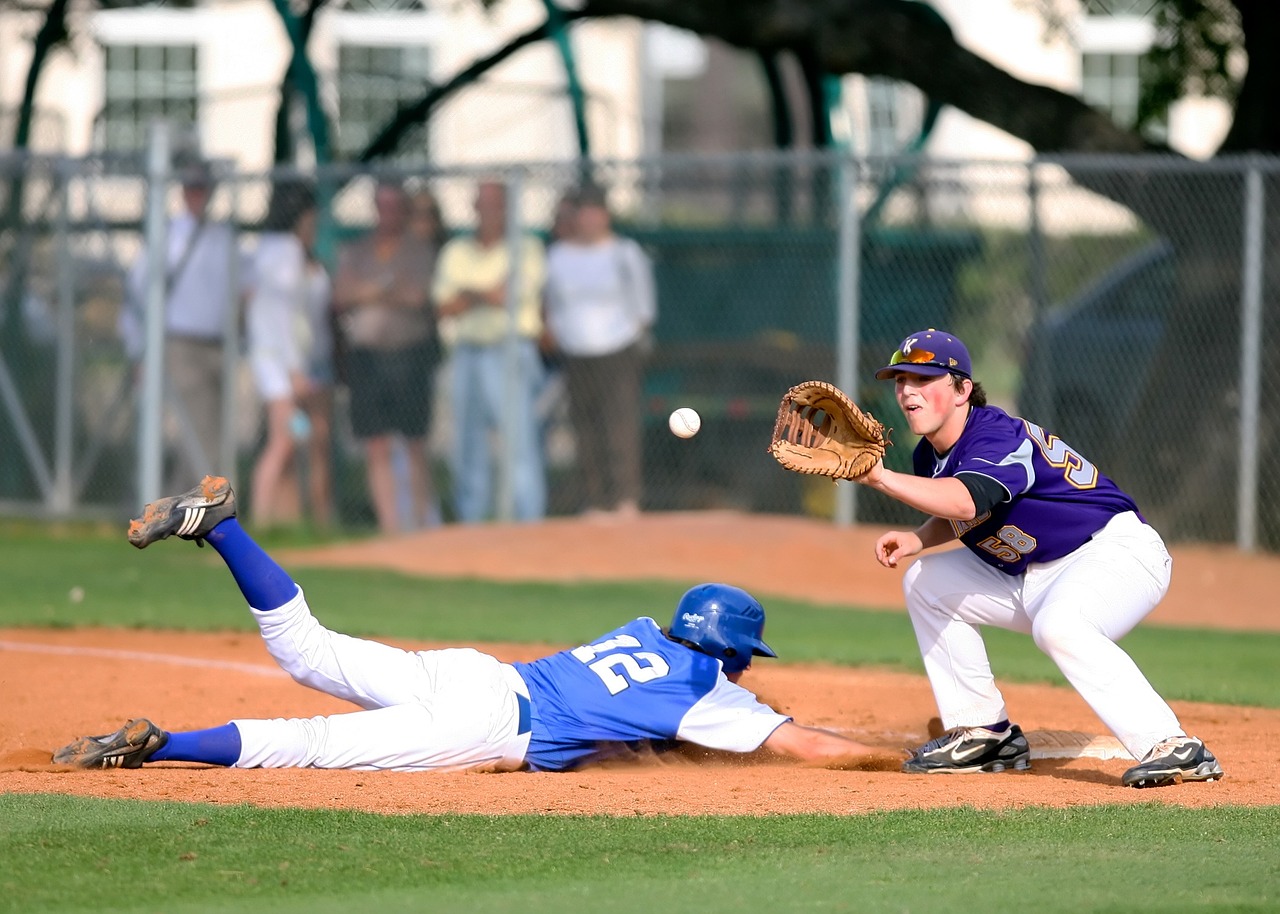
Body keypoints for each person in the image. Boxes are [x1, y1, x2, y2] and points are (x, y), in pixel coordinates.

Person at [52, 476, 888, 774]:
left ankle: (223, 525)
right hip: (487, 722)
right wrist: (895, 760)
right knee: (308, 742)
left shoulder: (642, 631)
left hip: (476, 673)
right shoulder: (710, 695)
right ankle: (161, 745)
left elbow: (644, 719)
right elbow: (804, 745)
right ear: (732, 654)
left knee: (305, 650)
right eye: (744, 659)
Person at [857, 328, 1224, 789]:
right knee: (925, 582)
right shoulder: (928, 455)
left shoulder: (996, 435)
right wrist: (919, 539)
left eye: (923, 378)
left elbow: (970, 500)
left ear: (962, 390)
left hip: (1114, 552)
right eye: (900, 380)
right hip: (1035, 572)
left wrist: (879, 479)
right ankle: (985, 734)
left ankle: (1173, 746)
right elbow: (968, 510)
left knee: (1061, 626)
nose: (907, 390)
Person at [120, 159, 247, 491]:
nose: (197, 195)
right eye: (191, 188)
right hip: (181, 344)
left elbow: (241, 290)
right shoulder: (168, 236)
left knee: (213, 431)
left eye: (202, 188)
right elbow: (137, 295)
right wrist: (139, 350)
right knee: (199, 431)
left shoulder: (223, 237)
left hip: (220, 344)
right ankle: (202, 508)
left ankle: (184, 505)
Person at [433, 180, 547, 523]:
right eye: (481, 203)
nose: (488, 211)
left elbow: (508, 296)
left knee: (518, 442)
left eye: (496, 204)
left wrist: (468, 294)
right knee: (467, 444)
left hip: (509, 351)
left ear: (507, 209)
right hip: (467, 352)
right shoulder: (456, 251)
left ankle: (527, 523)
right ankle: (472, 524)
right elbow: (445, 306)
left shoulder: (526, 247)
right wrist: (484, 293)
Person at [543, 184, 656, 520]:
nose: (589, 220)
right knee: (584, 428)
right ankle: (594, 502)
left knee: (619, 425)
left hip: (618, 350)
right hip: (575, 352)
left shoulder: (625, 253)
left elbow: (643, 307)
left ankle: (625, 499)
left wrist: (630, 336)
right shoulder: (559, 256)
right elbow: (551, 305)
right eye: (583, 213)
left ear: (605, 215)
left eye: (596, 212)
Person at [331, 180, 438, 534]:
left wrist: (368, 291)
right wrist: (385, 287)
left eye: (395, 206)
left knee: (414, 443)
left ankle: (421, 525)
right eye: (382, 206)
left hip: (408, 357)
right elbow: (342, 294)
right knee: (375, 443)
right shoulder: (358, 249)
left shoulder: (419, 250)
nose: (388, 213)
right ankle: (391, 528)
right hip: (367, 360)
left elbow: (416, 296)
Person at [245, 179, 334, 529]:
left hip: (277, 360)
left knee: (296, 437)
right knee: (284, 442)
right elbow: (283, 317)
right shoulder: (286, 252)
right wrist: (295, 370)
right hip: (278, 364)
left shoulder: (267, 250)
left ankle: (285, 519)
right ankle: (261, 519)